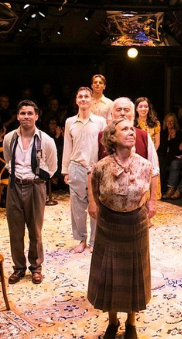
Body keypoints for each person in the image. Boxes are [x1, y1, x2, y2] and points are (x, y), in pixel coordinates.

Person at [88, 117, 155, 339]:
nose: (131, 132)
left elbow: (151, 189)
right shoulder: (102, 166)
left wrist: (152, 203)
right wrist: (99, 208)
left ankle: (132, 323)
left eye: (132, 129)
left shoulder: (145, 165)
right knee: (110, 274)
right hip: (109, 224)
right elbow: (95, 189)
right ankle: (113, 321)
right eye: (124, 129)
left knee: (133, 274)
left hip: (135, 223)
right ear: (112, 137)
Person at [2, 100, 57, 285]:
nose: (26, 116)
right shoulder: (10, 138)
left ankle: (36, 267)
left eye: (29, 113)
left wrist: (38, 178)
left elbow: (52, 166)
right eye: (23, 113)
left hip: (35, 186)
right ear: (18, 116)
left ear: (36, 116)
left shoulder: (45, 140)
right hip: (14, 186)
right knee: (15, 230)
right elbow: (8, 160)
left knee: (35, 230)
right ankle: (18, 268)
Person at [62, 87, 106, 253]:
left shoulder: (100, 122)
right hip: (76, 167)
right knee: (78, 207)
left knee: (95, 205)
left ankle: (95, 241)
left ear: (91, 99)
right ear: (76, 100)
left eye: (86, 96)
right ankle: (81, 239)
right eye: (80, 96)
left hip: (95, 168)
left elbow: (104, 147)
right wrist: (65, 170)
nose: (83, 99)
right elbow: (67, 145)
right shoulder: (70, 122)